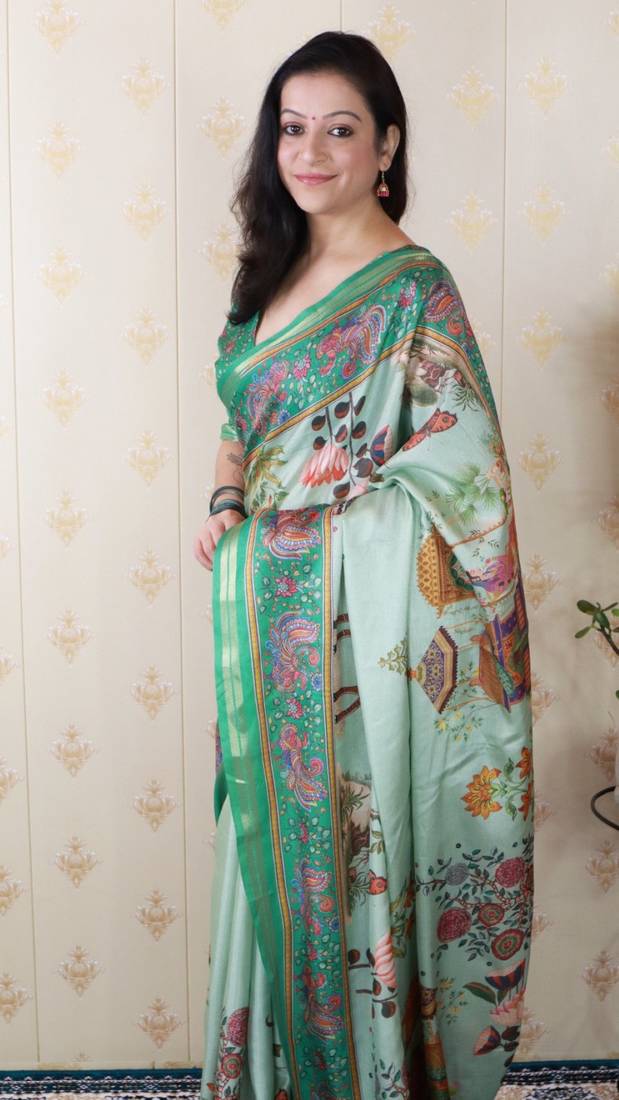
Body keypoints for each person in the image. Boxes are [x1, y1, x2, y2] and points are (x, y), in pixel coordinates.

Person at [194, 29, 534, 1100]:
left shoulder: (413, 290)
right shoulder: (268, 271)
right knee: (268, 864)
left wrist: (293, 543)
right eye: (291, 128)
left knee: (352, 866)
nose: (310, 151)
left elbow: (465, 480)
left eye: (338, 129)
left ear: (385, 145)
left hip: (362, 646)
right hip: (266, 632)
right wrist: (227, 503)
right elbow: (241, 422)